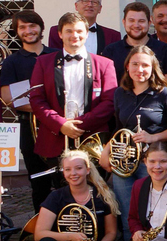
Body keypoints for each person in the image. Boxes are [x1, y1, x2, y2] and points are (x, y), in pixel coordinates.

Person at [29, 13, 118, 166]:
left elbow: (110, 102)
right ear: (60, 34)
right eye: (69, 31)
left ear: (86, 33)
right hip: (55, 138)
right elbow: (37, 100)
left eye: (79, 31)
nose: (74, 35)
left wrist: (80, 124)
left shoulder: (105, 64)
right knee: (58, 188)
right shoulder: (43, 63)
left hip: (92, 138)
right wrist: (61, 124)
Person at [103, 45, 167, 224]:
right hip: (124, 163)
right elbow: (118, 128)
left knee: (152, 209)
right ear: (127, 66)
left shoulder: (165, 94)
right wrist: (105, 152)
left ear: (153, 68)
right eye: (135, 64)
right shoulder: (119, 94)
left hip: (152, 162)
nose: (140, 70)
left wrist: (153, 137)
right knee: (127, 211)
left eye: (145, 65)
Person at [0, 11, 53, 196]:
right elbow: (7, 98)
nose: (28, 30)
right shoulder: (12, 61)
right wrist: (47, 109)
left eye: (32, 26)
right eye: (22, 27)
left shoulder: (56, 55)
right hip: (28, 127)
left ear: (41, 28)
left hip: (57, 126)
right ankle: (40, 222)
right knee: (38, 180)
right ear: (17, 31)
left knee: (64, 176)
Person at [100, 2, 167, 92]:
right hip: (118, 105)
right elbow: (105, 87)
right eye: (131, 20)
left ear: (149, 23)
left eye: (141, 21)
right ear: (124, 22)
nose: (136, 25)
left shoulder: (165, 50)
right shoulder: (110, 51)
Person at [47, 0, 120, 54]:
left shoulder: (113, 36)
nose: (89, 5)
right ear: (76, 6)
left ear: (100, 8)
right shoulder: (57, 32)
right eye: (85, 1)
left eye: (94, 2)